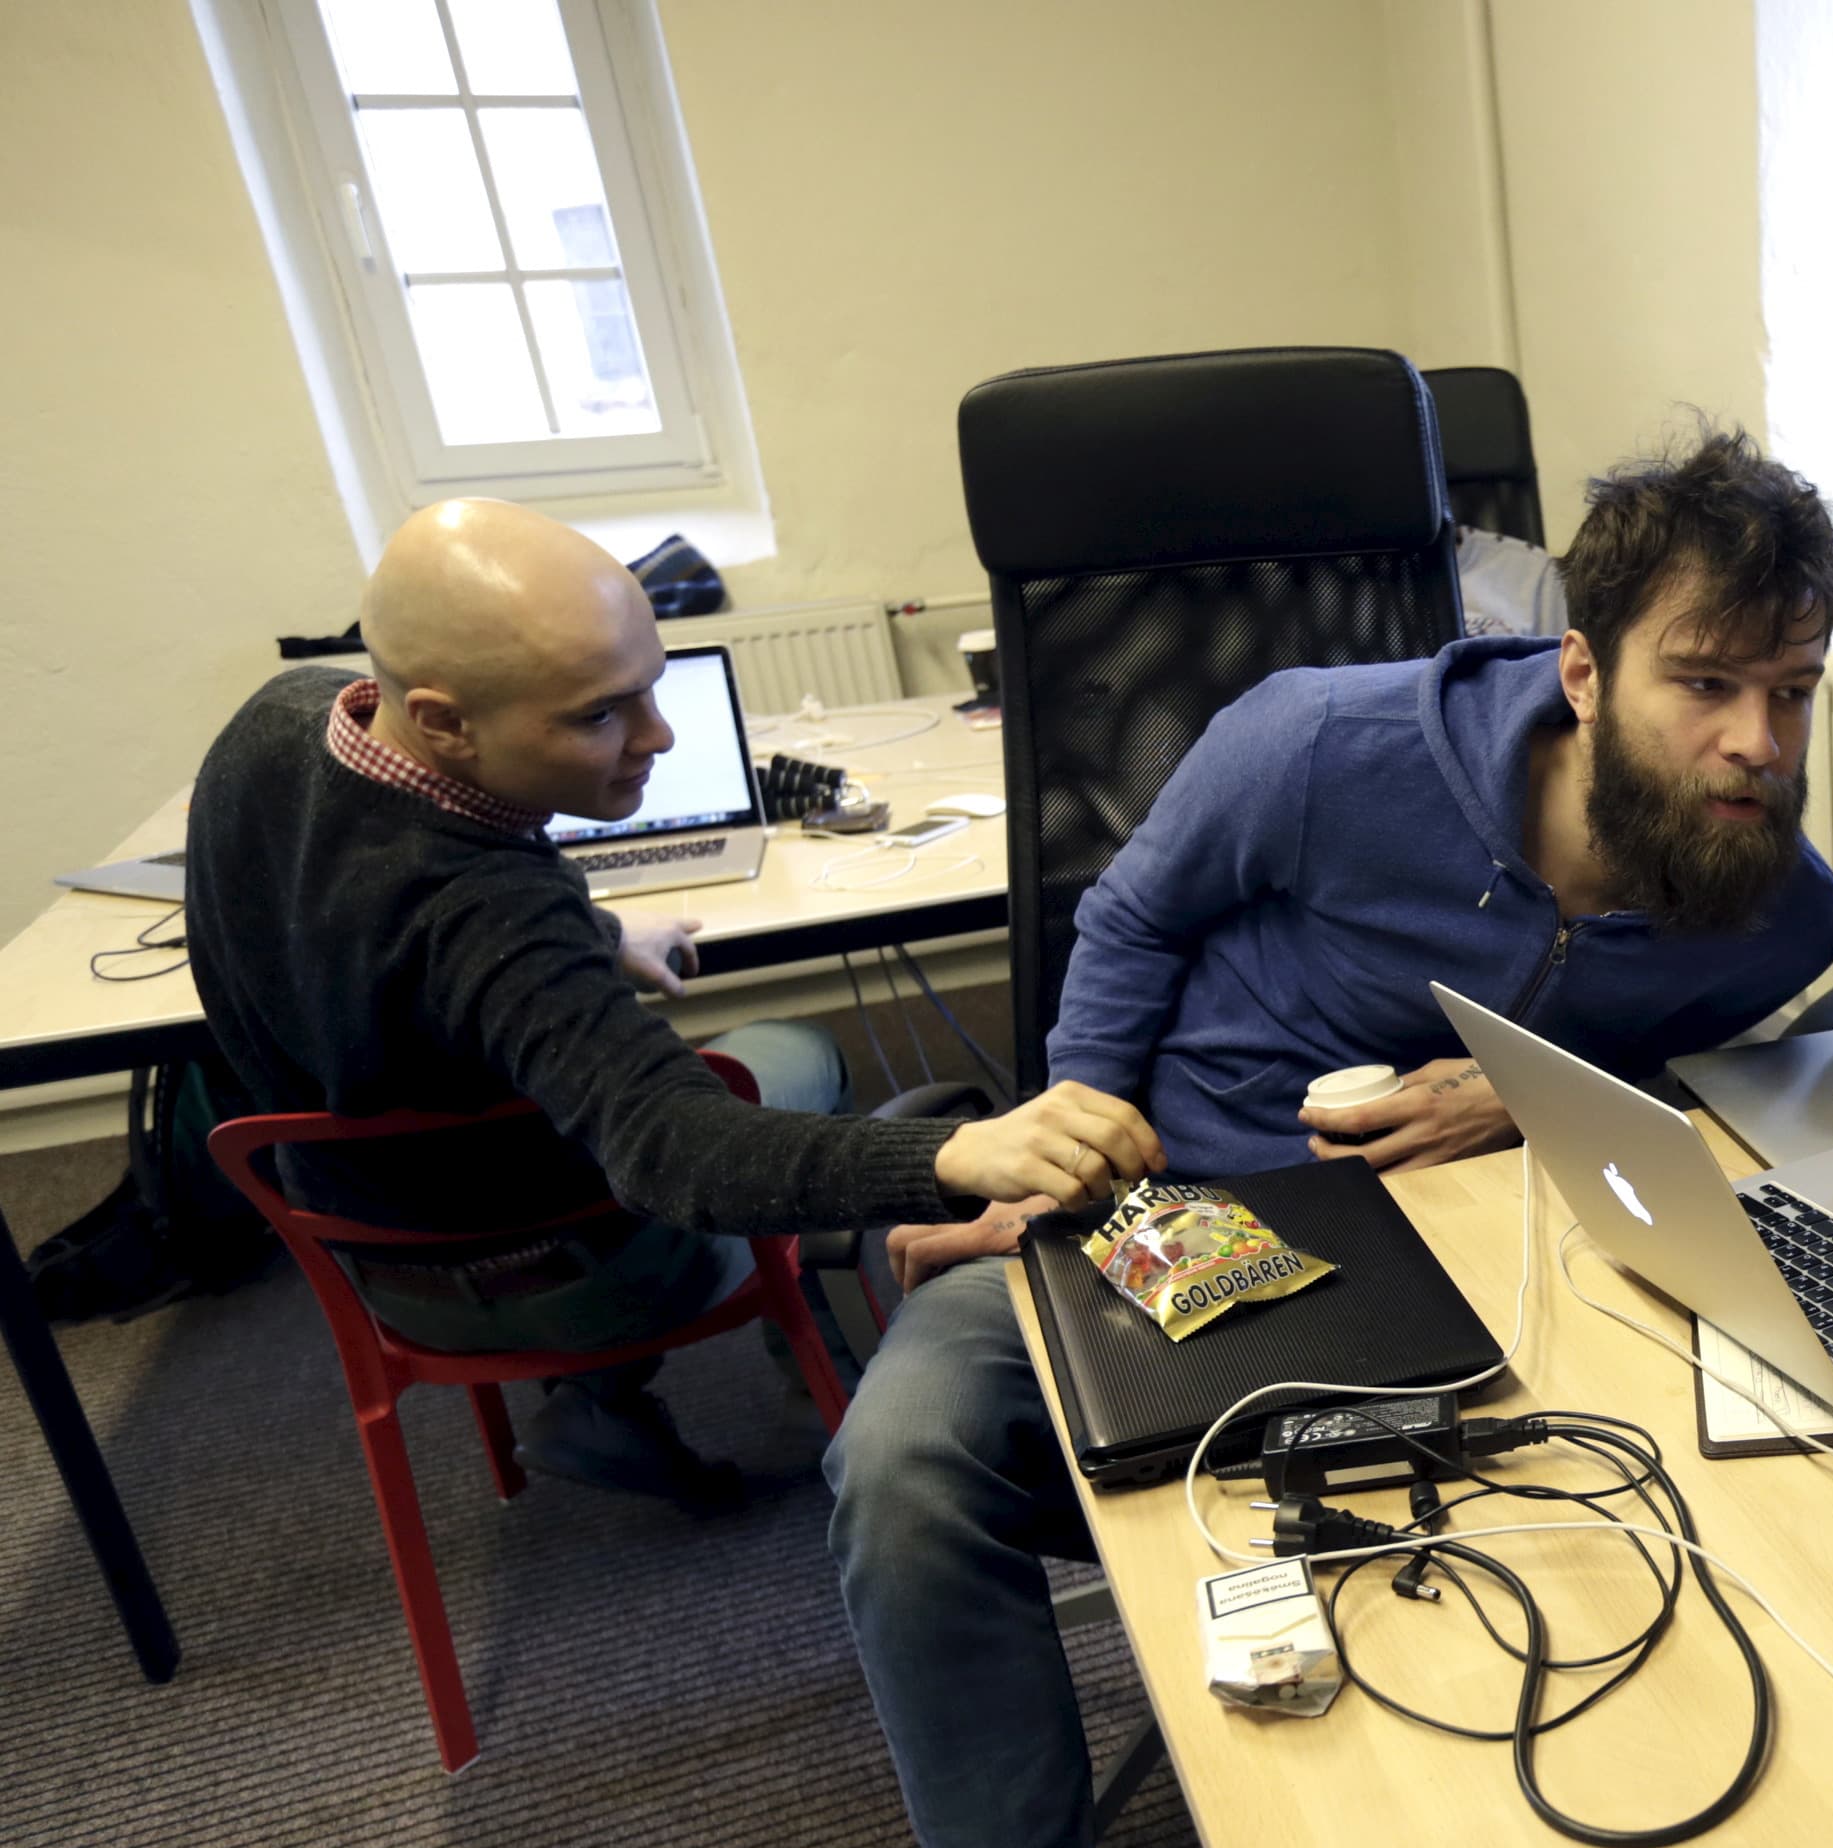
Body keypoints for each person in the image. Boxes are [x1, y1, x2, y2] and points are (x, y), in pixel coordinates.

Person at [826, 429, 1833, 1848]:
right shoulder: (1321, 744)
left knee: (1728, 1453)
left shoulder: (1767, 894)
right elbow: (1124, 923)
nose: (1756, 745)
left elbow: (1756, 1069)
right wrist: (1073, 1146)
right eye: (1706, 683)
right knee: (903, 1462)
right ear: (1585, 668)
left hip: (1497, 1267)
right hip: (1187, 1207)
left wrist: (1542, 1105)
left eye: (1791, 691)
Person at [184, 499, 1163, 1509]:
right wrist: (954, 1154)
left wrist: (601, 937)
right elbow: (674, 1149)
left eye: (649, 687)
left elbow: (387, 928)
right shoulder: (491, 916)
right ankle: (816, 1380)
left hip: (366, 1248)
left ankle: (603, 1406)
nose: (657, 734)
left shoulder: (280, 721)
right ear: (440, 719)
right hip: (558, 1275)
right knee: (788, 1052)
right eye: (597, 713)